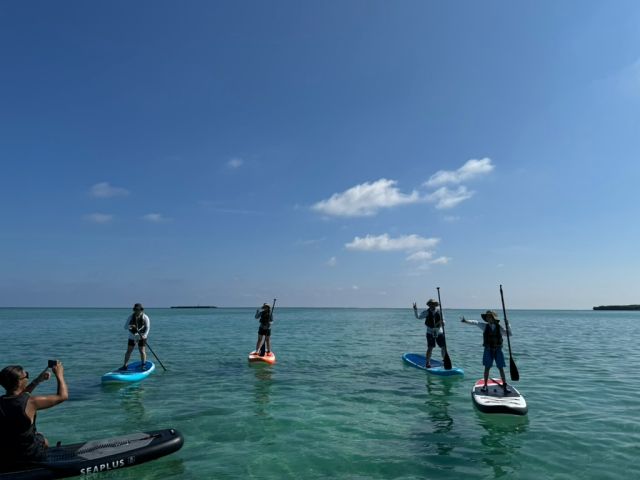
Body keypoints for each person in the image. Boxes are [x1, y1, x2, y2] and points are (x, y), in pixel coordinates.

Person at [0, 361, 68, 465]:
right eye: (26, 375)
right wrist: (59, 375)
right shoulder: (31, 402)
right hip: (29, 455)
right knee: (43, 439)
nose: (27, 377)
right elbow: (62, 396)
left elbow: (19, 397)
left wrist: (38, 380)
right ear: (19, 382)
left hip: (6, 454)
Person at [461, 310, 512, 393]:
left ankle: (504, 386)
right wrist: (465, 321)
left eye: (489, 316)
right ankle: (485, 385)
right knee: (487, 368)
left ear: (493, 318)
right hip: (488, 350)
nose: (488, 318)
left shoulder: (499, 327)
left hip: (498, 350)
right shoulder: (484, 326)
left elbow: (509, 334)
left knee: (501, 368)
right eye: (487, 317)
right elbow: (475, 323)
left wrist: (508, 324)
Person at [412, 299, 447, 368]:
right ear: (429, 305)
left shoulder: (440, 311)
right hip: (430, 332)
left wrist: (443, 323)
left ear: (435, 305)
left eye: (433, 304)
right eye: (430, 304)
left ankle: (445, 360)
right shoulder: (426, 312)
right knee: (430, 347)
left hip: (439, 332)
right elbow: (418, 317)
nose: (432, 305)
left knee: (443, 347)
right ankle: (428, 362)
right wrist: (415, 310)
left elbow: (443, 320)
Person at [120, 303, 151, 371]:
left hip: (142, 336)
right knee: (129, 351)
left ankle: (143, 365)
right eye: (135, 310)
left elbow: (148, 328)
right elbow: (125, 327)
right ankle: (125, 365)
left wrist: (145, 335)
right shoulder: (131, 317)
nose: (136, 311)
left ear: (141, 310)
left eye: (138, 310)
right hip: (132, 336)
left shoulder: (145, 317)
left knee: (142, 351)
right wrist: (131, 326)